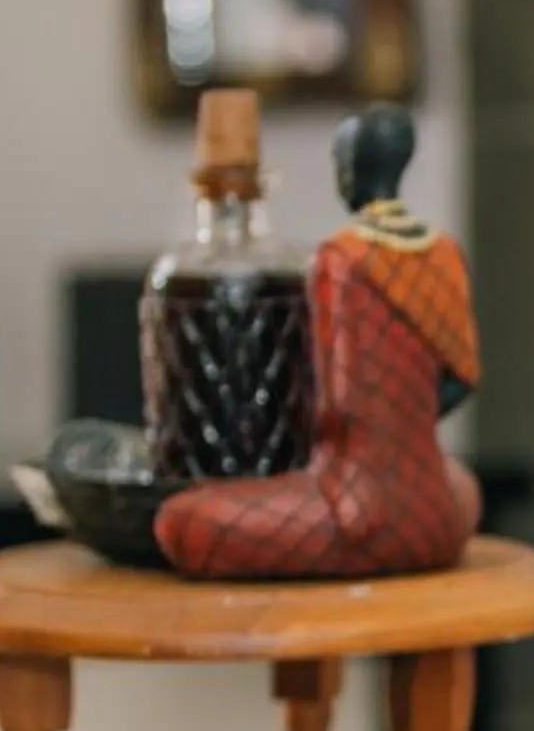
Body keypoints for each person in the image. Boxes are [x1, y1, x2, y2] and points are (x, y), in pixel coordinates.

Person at [155, 107, 482, 579]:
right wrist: (402, 431)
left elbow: (336, 399)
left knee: (183, 523)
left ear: (351, 167)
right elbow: (461, 380)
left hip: (358, 504)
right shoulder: (444, 251)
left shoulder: (342, 259)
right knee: (465, 489)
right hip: (435, 503)